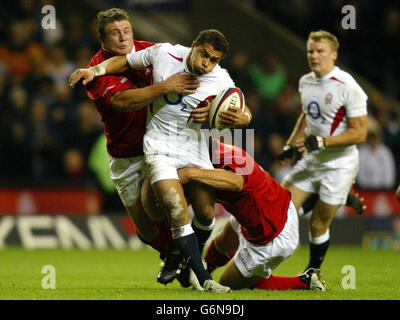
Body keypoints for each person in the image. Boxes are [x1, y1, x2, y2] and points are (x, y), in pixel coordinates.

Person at [70, 28, 252, 293]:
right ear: (193, 45)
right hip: (160, 147)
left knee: (205, 213)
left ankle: (184, 260)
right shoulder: (165, 53)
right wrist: (95, 71)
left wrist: (242, 118)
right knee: (176, 211)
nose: (206, 64)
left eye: (213, 59)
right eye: (204, 55)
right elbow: (126, 60)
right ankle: (205, 279)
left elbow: (242, 107)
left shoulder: (220, 76)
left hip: (195, 148)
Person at [68, 8, 208, 279]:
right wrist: (165, 86)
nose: (123, 38)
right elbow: (123, 101)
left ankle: (190, 257)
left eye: (126, 31)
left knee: (162, 204)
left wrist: (209, 103)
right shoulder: (94, 72)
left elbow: (192, 68)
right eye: (114, 33)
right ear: (102, 39)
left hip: (159, 145)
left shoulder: (152, 51)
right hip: (124, 154)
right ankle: (175, 256)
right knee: (145, 231)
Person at [176, 139, 327, 291]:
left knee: (228, 283)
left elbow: (237, 182)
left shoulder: (229, 157)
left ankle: (303, 282)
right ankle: (200, 274)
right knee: (222, 242)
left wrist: (191, 173)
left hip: (274, 232)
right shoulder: (213, 156)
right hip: (262, 212)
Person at [278, 30, 368, 273]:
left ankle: (312, 273)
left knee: (318, 226)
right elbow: (306, 115)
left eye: (320, 51)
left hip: (339, 165)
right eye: (311, 51)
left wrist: (323, 142)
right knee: (280, 207)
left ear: (334, 55)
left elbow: (360, 133)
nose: (314, 55)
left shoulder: (348, 86)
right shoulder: (305, 81)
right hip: (313, 160)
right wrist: (290, 144)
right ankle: (330, 196)